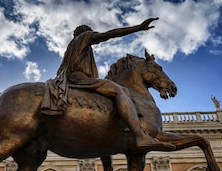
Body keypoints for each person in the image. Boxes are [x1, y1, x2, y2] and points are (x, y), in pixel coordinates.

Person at [43, 17, 171, 150]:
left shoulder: (71, 47)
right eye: (93, 35)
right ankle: (140, 135)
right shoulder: (84, 38)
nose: (94, 38)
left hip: (70, 79)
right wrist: (138, 28)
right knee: (121, 91)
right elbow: (109, 35)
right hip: (80, 78)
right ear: (86, 33)